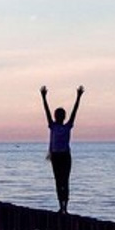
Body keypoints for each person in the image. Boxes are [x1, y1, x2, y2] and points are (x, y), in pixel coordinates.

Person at [40, 84, 84, 214]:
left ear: (63, 117)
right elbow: (46, 111)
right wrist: (43, 98)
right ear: (55, 116)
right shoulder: (52, 126)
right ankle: (61, 206)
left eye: (61, 115)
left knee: (65, 181)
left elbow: (75, 112)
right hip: (56, 156)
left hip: (65, 156)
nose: (58, 116)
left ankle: (65, 207)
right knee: (58, 181)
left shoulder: (67, 126)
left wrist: (78, 97)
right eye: (57, 114)